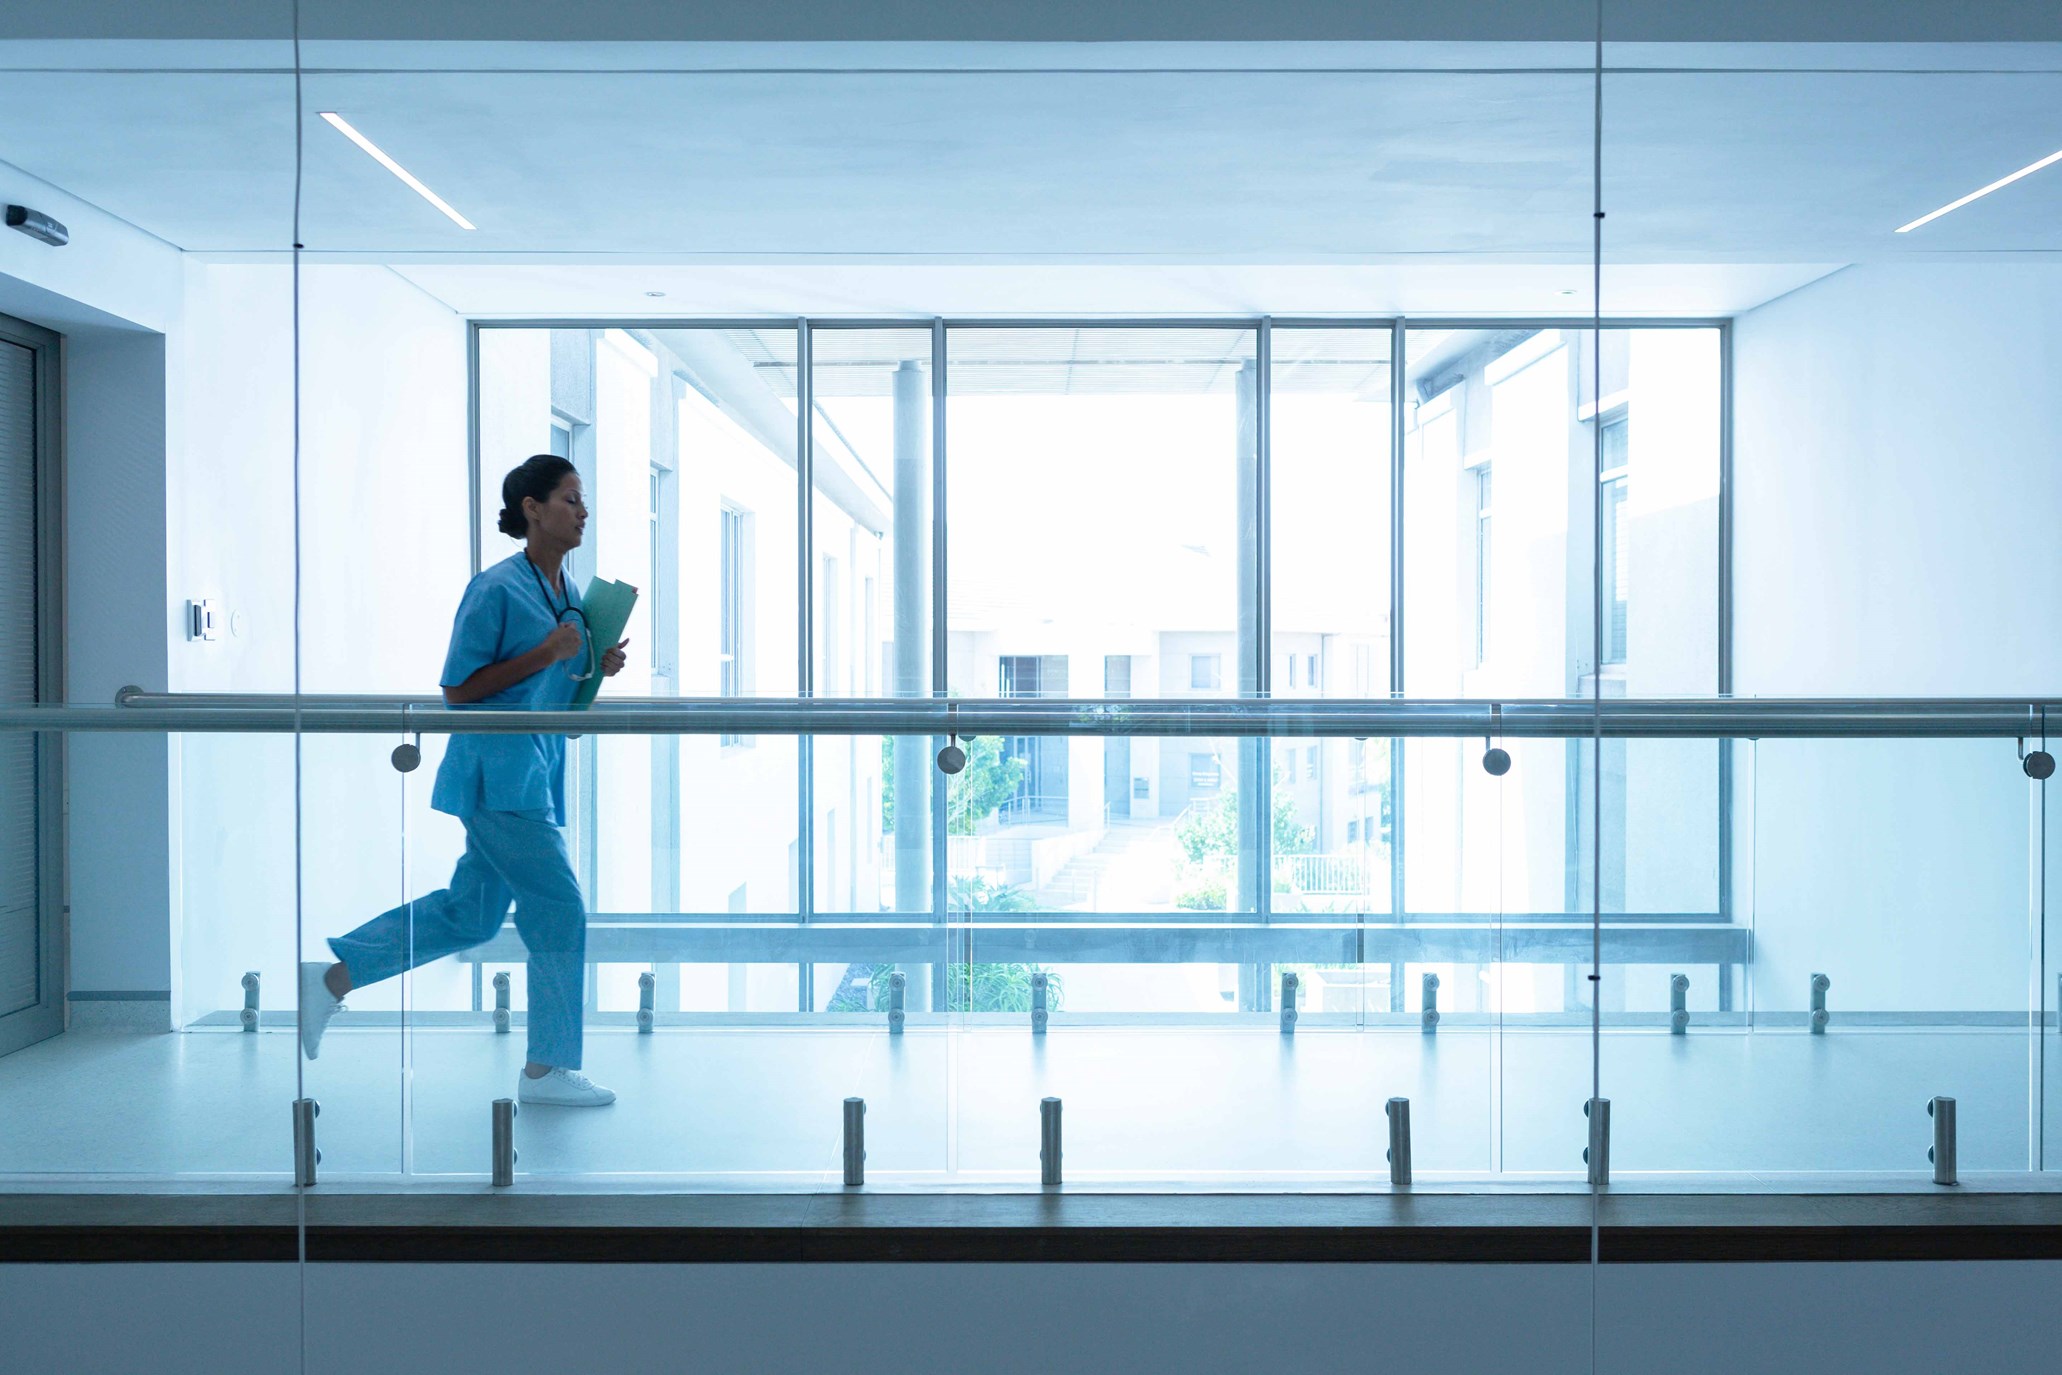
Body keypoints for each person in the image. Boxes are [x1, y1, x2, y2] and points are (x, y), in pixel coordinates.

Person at [297, 455, 629, 1106]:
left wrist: (596, 665)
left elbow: (553, 688)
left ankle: (333, 978)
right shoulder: (496, 588)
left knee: (472, 913)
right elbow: (458, 689)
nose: (582, 511)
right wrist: (549, 653)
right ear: (532, 509)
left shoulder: (566, 593)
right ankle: (547, 1069)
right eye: (570, 498)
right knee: (560, 909)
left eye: (583, 501)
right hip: (497, 775)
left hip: (531, 769)